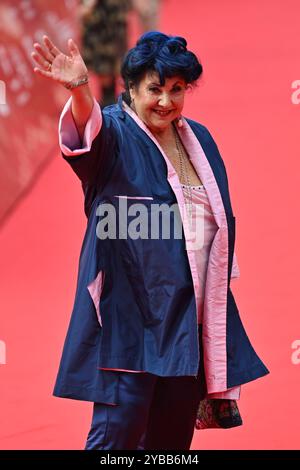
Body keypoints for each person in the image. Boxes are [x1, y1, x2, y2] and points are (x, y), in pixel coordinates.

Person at [31, 31, 269, 450]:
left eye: (177, 90)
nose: (166, 101)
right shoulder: (117, 136)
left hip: (186, 321)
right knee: (115, 441)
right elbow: (88, 135)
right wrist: (79, 90)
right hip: (129, 321)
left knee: (170, 445)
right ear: (132, 89)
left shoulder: (200, 141)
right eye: (155, 89)